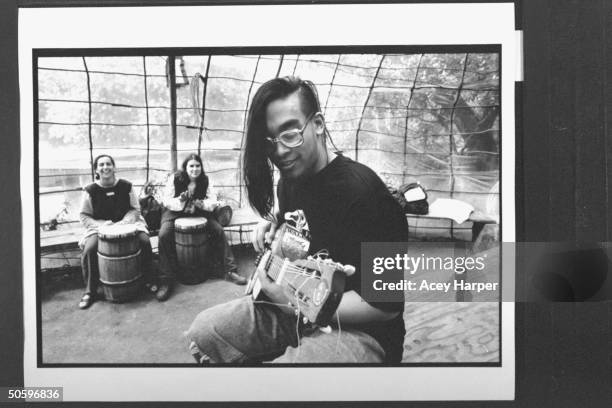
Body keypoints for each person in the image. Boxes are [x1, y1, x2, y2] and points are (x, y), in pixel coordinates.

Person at [185, 77, 408, 364]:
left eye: (290, 133)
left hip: (361, 330)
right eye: (269, 141)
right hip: (296, 306)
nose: (279, 152)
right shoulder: (288, 182)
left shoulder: (366, 194)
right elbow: (299, 230)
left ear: (317, 124)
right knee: (205, 331)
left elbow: (385, 306)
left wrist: (289, 301)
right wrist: (273, 230)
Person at [157, 153, 246, 301]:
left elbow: (213, 201)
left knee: (217, 230)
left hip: (197, 211)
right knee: (164, 235)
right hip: (175, 212)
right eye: (191, 166)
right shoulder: (176, 178)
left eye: (197, 166)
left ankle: (230, 271)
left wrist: (202, 204)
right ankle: (165, 280)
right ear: (185, 167)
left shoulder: (205, 180)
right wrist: (180, 200)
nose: (194, 169)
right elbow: (166, 200)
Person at [78, 154, 157, 309]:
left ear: (114, 167)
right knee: (90, 249)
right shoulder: (90, 190)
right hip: (100, 228)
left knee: (145, 241)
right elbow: (84, 215)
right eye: (101, 165)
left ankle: (149, 279)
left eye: (108, 164)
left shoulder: (126, 186)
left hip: (129, 224)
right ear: (96, 169)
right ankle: (90, 290)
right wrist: (101, 225)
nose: (105, 167)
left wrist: (124, 222)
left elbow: (135, 209)